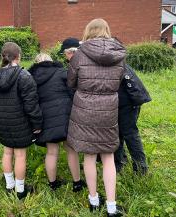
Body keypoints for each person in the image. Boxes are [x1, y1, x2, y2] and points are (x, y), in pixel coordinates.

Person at [67, 19, 126, 216]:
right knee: (108, 156)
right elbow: (118, 81)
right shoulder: (119, 54)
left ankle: (93, 200)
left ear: (88, 32)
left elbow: (71, 81)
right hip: (108, 109)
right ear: (107, 31)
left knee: (89, 155)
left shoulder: (79, 54)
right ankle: (111, 207)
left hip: (84, 109)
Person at [0, 42, 43, 200]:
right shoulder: (24, 76)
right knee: (20, 155)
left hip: (2, 121)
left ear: (2, 56)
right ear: (19, 56)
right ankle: (20, 191)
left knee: (7, 152)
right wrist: (37, 124)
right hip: (21, 122)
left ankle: (9, 186)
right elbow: (31, 104)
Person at [28, 53, 86, 192]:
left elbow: (32, 100)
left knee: (52, 151)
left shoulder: (31, 78)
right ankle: (77, 183)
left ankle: (53, 184)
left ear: (36, 63)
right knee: (71, 150)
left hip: (45, 118)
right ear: (51, 61)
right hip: (65, 115)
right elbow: (73, 91)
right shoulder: (61, 72)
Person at [115, 64, 151, 174]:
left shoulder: (108, 56)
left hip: (128, 100)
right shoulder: (113, 55)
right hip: (124, 98)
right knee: (116, 133)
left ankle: (141, 170)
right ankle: (120, 163)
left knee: (130, 134)